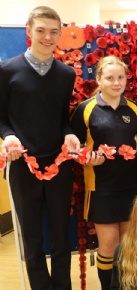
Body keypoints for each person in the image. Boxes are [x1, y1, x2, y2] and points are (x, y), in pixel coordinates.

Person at [0, 6, 79, 290]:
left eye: (54, 31)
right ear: (29, 31)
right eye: (41, 30)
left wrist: (69, 134)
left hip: (59, 166)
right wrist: (8, 136)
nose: (48, 37)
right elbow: (1, 118)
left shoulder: (66, 74)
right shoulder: (6, 70)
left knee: (61, 237)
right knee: (32, 240)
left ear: (60, 34)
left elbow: (61, 118)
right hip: (22, 167)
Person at [71, 55, 137, 289]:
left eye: (121, 77)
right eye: (110, 78)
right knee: (108, 246)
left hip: (132, 186)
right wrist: (86, 160)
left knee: (128, 245)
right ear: (98, 79)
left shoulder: (134, 108)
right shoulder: (86, 109)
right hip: (101, 188)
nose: (116, 83)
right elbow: (72, 149)